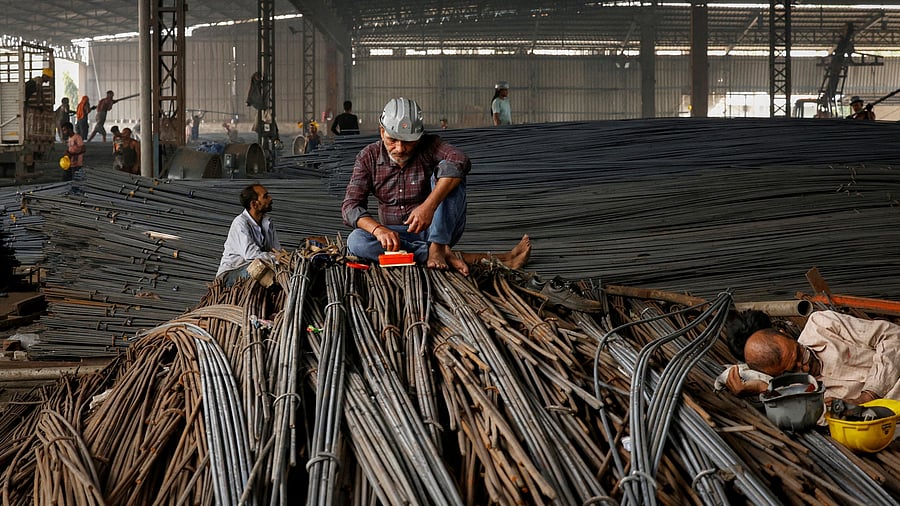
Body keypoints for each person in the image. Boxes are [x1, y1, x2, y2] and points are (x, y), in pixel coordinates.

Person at [341, 97, 531, 275]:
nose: (400, 148)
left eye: (408, 142)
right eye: (392, 140)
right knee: (356, 241)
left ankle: (438, 245)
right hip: (392, 238)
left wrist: (428, 207)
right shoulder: (368, 157)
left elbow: (461, 161)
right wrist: (378, 230)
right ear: (382, 131)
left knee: (450, 170)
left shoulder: (429, 145)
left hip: (436, 229)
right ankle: (440, 253)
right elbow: (350, 207)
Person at [721, 309, 900, 404]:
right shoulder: (799, 396)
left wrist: (868, 395)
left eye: (800, 354)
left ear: (787, 334)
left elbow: (893, 336)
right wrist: (763, 388)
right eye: (794, 370)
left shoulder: (821, 325)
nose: (805, 367)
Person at [217, 184, 282, 282]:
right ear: (254, 204)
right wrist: (277, 257)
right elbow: (250, 255)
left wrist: (282, 257)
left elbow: (276, 250)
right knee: (260, 269)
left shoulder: (267, 222)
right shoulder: (240, 223)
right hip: (231, 273)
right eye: (265, 196)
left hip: (254, 266)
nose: (270, 198)